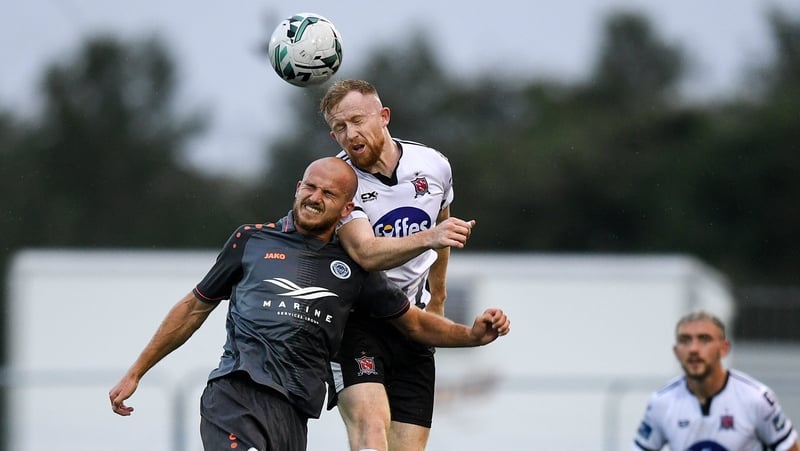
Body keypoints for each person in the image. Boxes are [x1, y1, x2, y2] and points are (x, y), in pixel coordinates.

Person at [108, 157, 511, 451]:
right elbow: (194, 308)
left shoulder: (354, 269)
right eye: (309, 187)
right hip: (236, 394)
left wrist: (473, 335)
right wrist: (136, 372)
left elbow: (415, 325)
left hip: (294, 411)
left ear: (347, 209)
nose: (314, 197)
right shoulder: (251, 240)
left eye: (328, 193)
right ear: (297, 189)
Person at [320, 79, 467, 451]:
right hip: (356, 323)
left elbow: (442, 222)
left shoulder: (433, 165)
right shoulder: (340, 182)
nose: (349, 134)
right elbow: (366, 253)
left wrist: (438, 299)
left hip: (411, 323)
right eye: (339, 128)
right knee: (371, 431)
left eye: (356, 120)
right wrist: (428, 237)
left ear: (383, 117)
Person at [632, 310, 799, 451]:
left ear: (724, 348)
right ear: (676, 352)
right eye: (685, 340)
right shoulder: (662, 402)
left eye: (704, 339)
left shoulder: (756, 399)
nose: (693, 349)